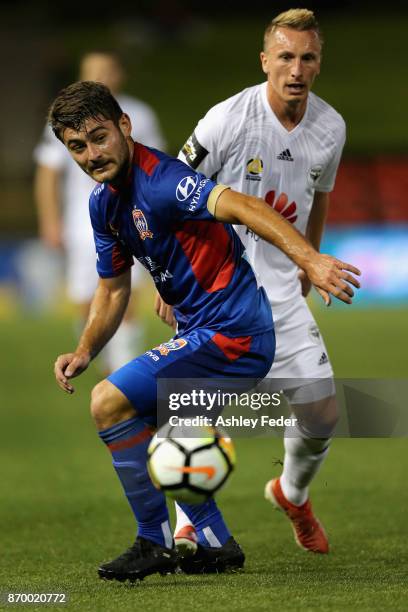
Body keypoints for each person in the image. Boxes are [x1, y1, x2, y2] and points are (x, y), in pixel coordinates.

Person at [50, 80, 359, 582]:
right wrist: (85, 348)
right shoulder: (103, 203)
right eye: (77, 146)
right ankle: (213, 542)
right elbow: (111, 290)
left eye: (99, 137)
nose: (91, 154)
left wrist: (311, 259)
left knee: (110, 403)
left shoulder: (164, 180)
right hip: (206, 330)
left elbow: (242, 206)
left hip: (234, 333)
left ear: (124, 127)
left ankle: (155, 543)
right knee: (166, 422)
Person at [159, 8, 346, 557]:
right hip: (215, 293)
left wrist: (310, 261)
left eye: (307, 57)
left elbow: (321, 197)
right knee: (194, 412)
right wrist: (171, 281)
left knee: (323, 415)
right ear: (265, 61)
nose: (296, 68)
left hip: (283, 295)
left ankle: (292, 494)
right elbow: (171, 191)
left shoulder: (331, 127)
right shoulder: (228, 119)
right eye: (285, 56)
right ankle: (190, 523)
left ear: (318, 64)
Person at [34, 51, 166, 372]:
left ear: (120, 74)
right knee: (86, 303)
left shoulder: (139, 114)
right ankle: (110, 367)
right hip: (81, 223)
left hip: (128, 218)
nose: (101, 77)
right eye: (93, 72)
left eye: (107, 71)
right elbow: (48, 171)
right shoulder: (67, 120)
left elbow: (157, 164)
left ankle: (123, 373)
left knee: (123, 294)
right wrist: (50, 221)